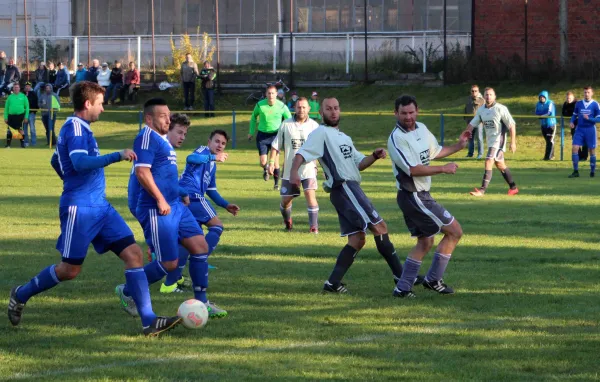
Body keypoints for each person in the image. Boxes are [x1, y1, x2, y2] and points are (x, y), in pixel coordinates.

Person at [8, 82, 181, 337]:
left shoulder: (80, 128)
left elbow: (57, 160)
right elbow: (77, 162)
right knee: (70, 269)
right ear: (88, 103)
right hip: (81, 209)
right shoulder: (75, 127)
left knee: (134, 254)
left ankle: (149, 322)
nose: (103, 108)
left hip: (101, 207)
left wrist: (72, 180)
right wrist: (116, 156)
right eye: (100, 103)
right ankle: (20, 294)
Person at [116, 98, 228, 319]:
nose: (168, 119)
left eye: (169, 115)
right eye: (163, 116)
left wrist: (181, 193)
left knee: (200, 246)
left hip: (176, 205)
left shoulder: (163, 142)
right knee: (168, 263)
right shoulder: (146, 137)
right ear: (149, 119)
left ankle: (203, 302)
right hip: (158, 209)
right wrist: (160, 199)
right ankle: (127, 290)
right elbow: (142, 173)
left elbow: (165, 178)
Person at [288, 97, 405, 294]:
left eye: (335, 108)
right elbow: (301, 154)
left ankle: (332, 283)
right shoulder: (321, 133)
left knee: (357, 240)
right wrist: (293, 174)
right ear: (321, 113)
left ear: (339, 110)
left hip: (348, 189)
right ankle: (402, 278)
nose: (333, 112)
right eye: (328, 109)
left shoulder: (344, 138)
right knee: (380, 227)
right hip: (344, 188)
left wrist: (374, 156)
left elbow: (358, 164)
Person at [388, 95, 468, 298]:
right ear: (395, 113)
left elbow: (436, 151)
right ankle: (433, 280)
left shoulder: (421, 128)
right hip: (413, 195)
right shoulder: (397, 138)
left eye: (411, 112)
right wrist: (443, 169)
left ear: (417, 111)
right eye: (404, 113)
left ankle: (403, 288)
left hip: (419, 195)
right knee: (455, 231)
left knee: (425, 243)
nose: (408, 116)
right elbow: (412, 169)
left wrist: (458, 146)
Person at [176, 130, 239, 318]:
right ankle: (200, 258)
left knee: (188, 241)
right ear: (209, 141)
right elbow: (191, 158)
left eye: (223, 143)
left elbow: (212, 190)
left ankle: (173, 275)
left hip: (189, 198)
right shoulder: (203, 152)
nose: (220, 145)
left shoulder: (211, 165)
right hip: (191, 195)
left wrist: (226, 204)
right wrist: (212, 157)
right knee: (217, 226)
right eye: (217, 141)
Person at [269, 97, 320, 232]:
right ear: (294, 108)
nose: (301, 110)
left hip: (308, 168)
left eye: (304, 107)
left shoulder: (314, 126)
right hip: (289, 171)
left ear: (309, 109)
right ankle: (287, 221)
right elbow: (276, 146)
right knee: (286, 200)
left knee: (310, 195)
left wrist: (321, 166)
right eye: (299, 107)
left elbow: (320, 149)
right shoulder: (286, 125)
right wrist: (271, 162)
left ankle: (313, 228)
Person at [467, 87, 519, 196]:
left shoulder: (501, 108)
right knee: (500, 164)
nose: (488, 96)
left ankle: (482, 190)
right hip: (491, 141)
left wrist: (513, 142)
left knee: (488, 160)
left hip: (499, 140)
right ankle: (513, 187)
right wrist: (466, 133)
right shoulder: (481, 110)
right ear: (483, 96)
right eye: (486, 94)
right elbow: (472, 123)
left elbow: (512, 125)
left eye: (491, 94)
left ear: (495, 96)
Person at [248, 85, 292, 190]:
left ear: (276, 94)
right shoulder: (260, 105)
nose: (271, 95)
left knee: (275, 162)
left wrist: (288, 133)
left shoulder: (282, 106)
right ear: (266, 94)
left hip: (275, 136)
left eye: (273, 93)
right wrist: (251, 132)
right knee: (263, 162)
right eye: (269, 93)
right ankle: (266, 169)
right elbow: (253, 117)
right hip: (262, 136)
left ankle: (276, 184)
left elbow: (289, 120)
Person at [569, 86, 600, 178]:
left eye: (588, 92)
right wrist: (571, 121)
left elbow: (599, 119)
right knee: (574, 148)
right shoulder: (578, 104)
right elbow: (574, 115)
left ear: (592, 93)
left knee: (592, 150)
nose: (586, 94)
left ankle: (592, 171)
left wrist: (589, 118)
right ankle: (575, 171)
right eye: (585, 92)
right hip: (579, 129)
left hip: (590, 129)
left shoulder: (595, 104)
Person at [562, 91, 587, 161]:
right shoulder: (565, 104)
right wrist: (571, 113)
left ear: (573, 98)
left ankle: (584, 157)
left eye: (570, 98)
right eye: (567, 98)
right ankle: (579, 156)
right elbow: (564, 113)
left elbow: (577, 113)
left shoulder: (577, 103)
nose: (568, 100)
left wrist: (570, 113)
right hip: (573, 124)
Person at [4, 83, 29, 148]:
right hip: (11, 116)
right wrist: (5, 117)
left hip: (20, 116)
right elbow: (6, 108)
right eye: (15, 87)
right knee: (9, 130)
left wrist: (26, 117)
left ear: (19, 88)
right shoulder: (10, 97)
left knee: (20, 130)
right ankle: (8, 145)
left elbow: (27, 107)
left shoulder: (23, 96)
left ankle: (22, 145)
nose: (16, 88)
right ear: (13, 88)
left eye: (17, 87)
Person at [464, 84, 485, 159]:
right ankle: (470, 154)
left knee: (479, 138)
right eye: (472, 91)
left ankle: (480, 154)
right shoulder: (468, 99)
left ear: (478, 91)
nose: (474, 92)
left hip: (479, 122)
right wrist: (465, 118)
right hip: (470, 122)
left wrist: (483, 120)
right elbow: (466, 109)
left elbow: (484, 111)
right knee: (470, 138)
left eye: (475, 91)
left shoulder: (482, 100)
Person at [535, 90, 557, 161]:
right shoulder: (538, 104)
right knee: (548, 141)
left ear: (546, 97)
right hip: (543, 125)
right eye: (540, 97)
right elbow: (536, 112)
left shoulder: (550, 103)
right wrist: (542, 114)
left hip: (550, 125)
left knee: (550, 140)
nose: (541, 99)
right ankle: (550, 156)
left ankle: (548, 157)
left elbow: (549, 112)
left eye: (543, 97)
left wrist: (542, 115)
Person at [23, 82, 39, 147]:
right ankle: (26, 142)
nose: (27, 87)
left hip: (31, 113)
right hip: (24, 114)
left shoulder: (33, 94)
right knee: (24, 129)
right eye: (26, 86)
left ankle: (33, 142)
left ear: (30, 87)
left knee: (32, 128)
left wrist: (34, 111)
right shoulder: (22, 94)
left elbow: (36, 103)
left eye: (28, 86)